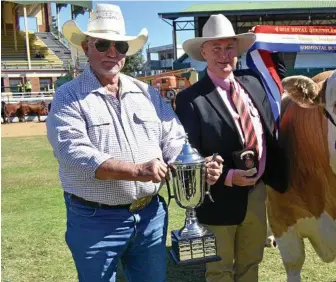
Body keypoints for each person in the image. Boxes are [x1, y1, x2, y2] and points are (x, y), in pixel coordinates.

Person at [46, 4, 223, 281]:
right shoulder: (67, 96)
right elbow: (74, 152)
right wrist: (137, 170)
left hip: (151, 215)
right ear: (85, 46)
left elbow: (174, 138)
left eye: (120, 46)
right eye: (102, 44)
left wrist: (196, 168)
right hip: (95, 220)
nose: (112, 53)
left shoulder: (147, 93)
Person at [174, 14, 288, 282]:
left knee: (251, 263)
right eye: (216, 48)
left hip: (257, 193)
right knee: (220, 269)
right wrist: (226, 177)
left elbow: (279, 73)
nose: (224, 55)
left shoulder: (253, 83)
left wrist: (272, 39)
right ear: (203, 52)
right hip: (218, 197)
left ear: (238, 51)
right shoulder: (190, 99)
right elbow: (188, 152)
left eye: (229, 48)